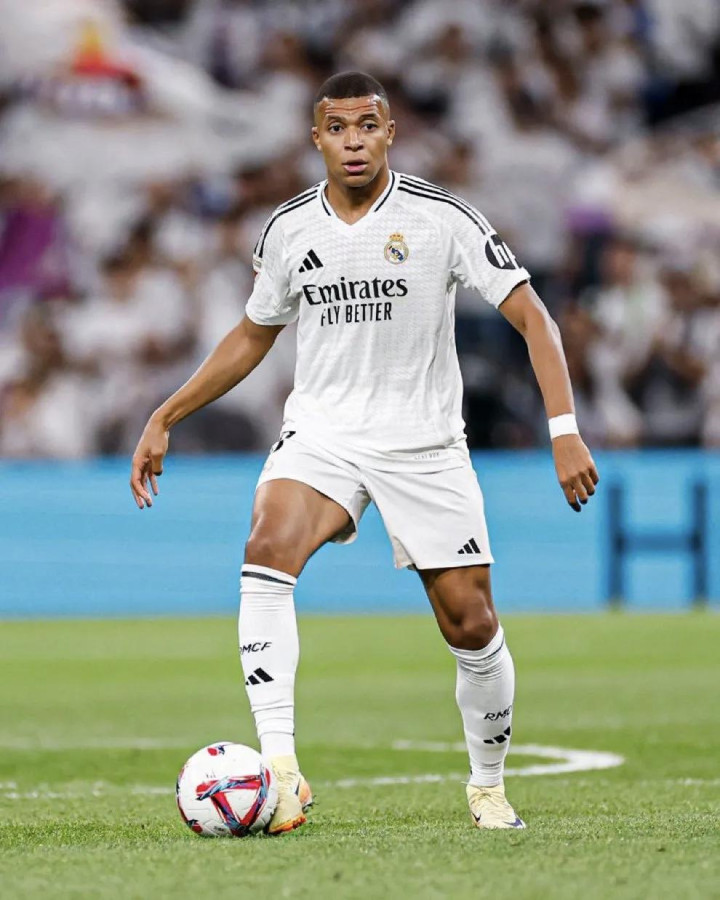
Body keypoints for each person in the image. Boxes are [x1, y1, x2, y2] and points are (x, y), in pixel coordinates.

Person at [130, 71, 599, 834]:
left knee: (471, 622)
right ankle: (280, 770)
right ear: (317, 138)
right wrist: (167, 413)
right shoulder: (288, 229)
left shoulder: (442, 218)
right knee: (266, 549)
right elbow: (253, 333)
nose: (354, 142)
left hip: (424, 443)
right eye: (339, 128)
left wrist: (564, 428)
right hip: (325, 434)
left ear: (390, 134)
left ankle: (487, 787)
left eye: (368, 126)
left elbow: (534, 317)